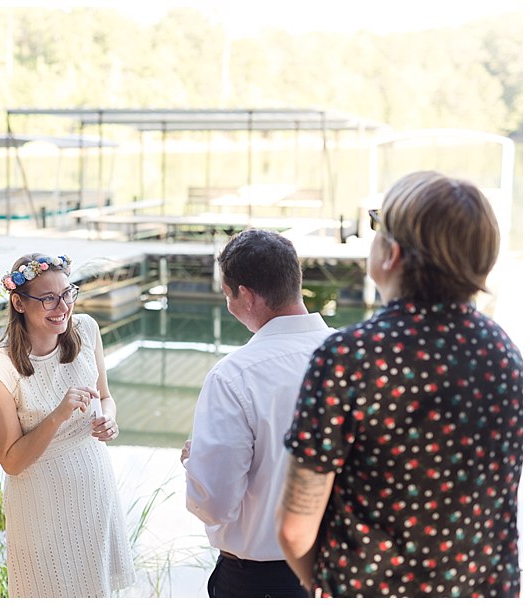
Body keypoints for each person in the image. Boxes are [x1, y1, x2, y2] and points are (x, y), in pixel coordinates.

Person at [279, 171, 523, 597]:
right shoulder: (504, 355)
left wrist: (324, 586)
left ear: (391, 253)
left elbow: (294, 530)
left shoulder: (348, 358)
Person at [181, 229, 333, 597]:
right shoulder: (356, 358)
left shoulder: (234, 376)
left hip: (263, 580)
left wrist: (195, 461)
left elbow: (215, 504)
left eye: (227, 295)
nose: (229, 305)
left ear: (245, 296)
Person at [0, 253, 134, 597]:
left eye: (67, 293)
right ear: (18, 302)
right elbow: (11, 461)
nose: (62, 306)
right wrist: (59, 415)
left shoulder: (87, 330)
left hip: (94, 492)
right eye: (48, 298)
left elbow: (105, 397)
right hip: (41, 509)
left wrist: (109, 418)